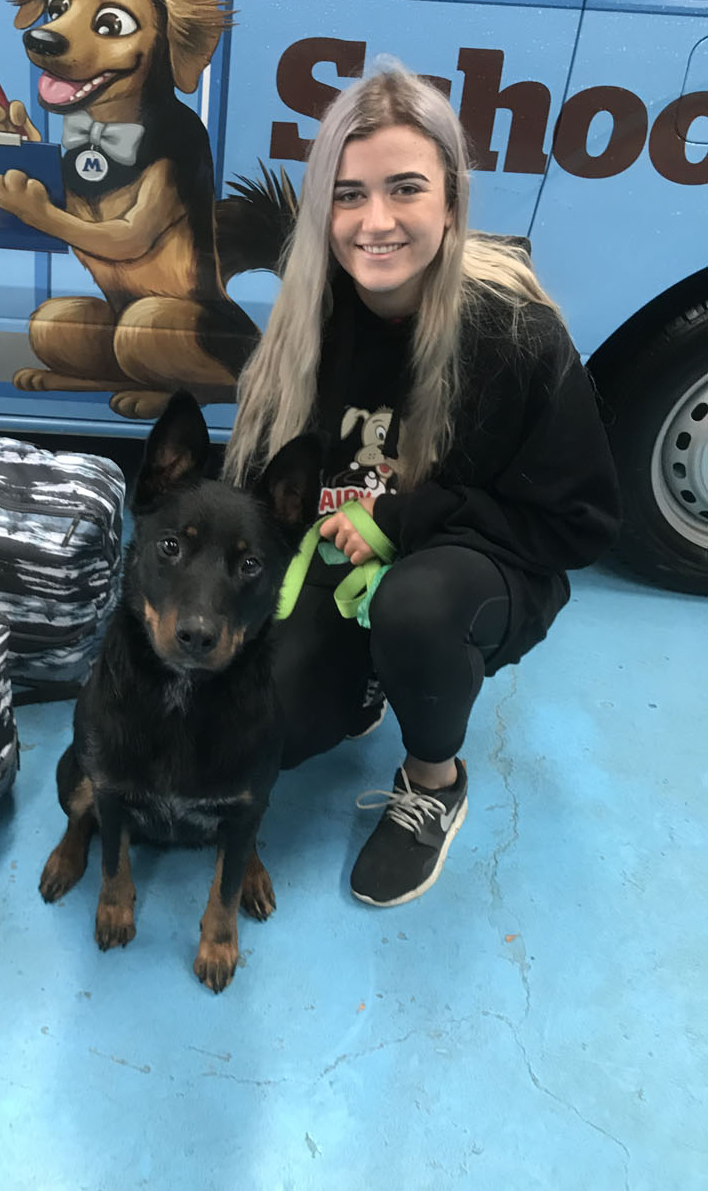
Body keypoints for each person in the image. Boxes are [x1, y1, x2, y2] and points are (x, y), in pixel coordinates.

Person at [224, 62, 621, 908]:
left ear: (450, 198)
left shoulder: (511, 330)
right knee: (267, 724)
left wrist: (400, 521)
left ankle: (432, 780)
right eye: (347, 193)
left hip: (473, 566)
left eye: (405, 188)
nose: (375, 222)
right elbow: (255, 494)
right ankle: (364, 678)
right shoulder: (305, 317)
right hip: (340, 562)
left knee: (417, 608)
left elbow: (579, 523)